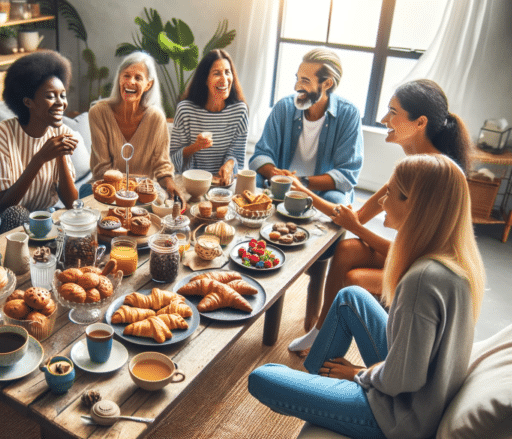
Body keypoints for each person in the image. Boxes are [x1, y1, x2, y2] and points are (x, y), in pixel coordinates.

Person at [250, 154, 485, 439]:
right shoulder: (453, 259)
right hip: (421, 392)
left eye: (391, 193)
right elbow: (414, 362)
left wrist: (358, 375)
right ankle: (320, 388)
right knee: (350, 296)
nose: (383, 201)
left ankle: (323, 395)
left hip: (401, 417)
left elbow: (404, 379)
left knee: (263, 377)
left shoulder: (422, 279)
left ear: (416, 206)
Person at [288, 79, 473, 351]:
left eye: (393, 112)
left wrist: (357, 227)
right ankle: (320, 331)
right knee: (348, 250)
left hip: (428, 270)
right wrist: (303, 191)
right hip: (411, 255)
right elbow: (358, 215)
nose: (383, 118)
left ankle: (333, 351)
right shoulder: (410, 167)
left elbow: (412, 253)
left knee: (354, 280)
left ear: (420, 123)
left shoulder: (433, 174)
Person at [249, 47, 363, 205]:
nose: (297, 87)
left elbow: (347, 174)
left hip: (321, 191)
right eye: (298, 78)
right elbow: (260, 155)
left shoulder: (349, 115)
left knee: (337, 200)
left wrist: (301, 182)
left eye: (305, 81)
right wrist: (277, 175)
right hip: (281, 185)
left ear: (327, 84)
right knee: (252, 181)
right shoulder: (284, 107)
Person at [0, 50, 82, 233]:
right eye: (50, 96)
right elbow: (3, 207)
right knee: (18, 213)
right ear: (28, 102)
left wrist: (60, 154)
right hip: (11, 227)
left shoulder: (63, 132)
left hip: (46, 220)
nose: (61, 102)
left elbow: (71, 203)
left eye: (62, 95)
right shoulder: (2, 134)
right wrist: (39, 159)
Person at [86, 51, 182, 205]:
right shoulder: (98, 112)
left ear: (148, 85)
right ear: (119, 78)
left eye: (138, 77)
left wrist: (171, 185)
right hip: (106, 191)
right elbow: (102, 169)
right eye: (126, 76)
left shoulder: (156, 118)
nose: (130, 82)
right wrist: (133, 186)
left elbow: (162, 166)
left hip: (143, 194)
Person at [169, 49, 248, 185]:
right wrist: (195, 146)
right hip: (190, 186)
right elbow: (172, 160)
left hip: (222, 188)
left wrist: (229, 165)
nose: (224, 79)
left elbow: (237, 157)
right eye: (217, 73)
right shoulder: (185, 110)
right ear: (205, 79)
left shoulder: (239, 112)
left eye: (227, 72)